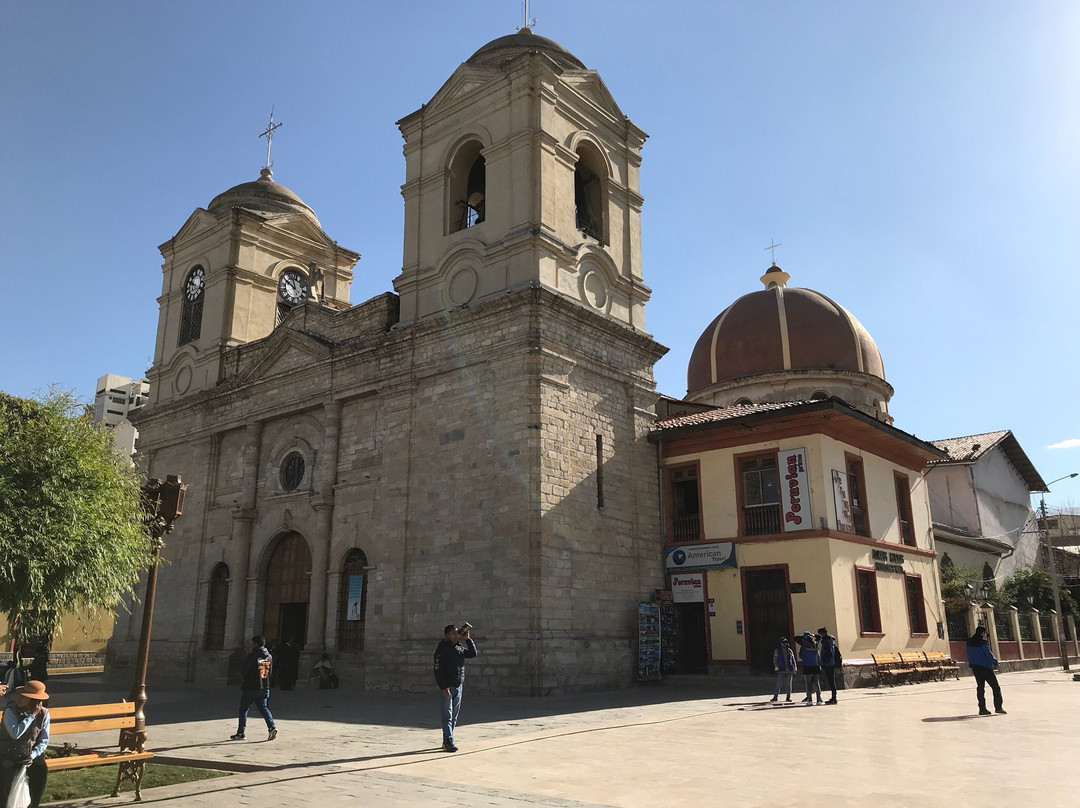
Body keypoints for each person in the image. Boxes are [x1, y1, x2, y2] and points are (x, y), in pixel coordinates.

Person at [0, 679, 50, 808]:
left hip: (29, 753)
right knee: (6, 771)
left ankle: (33, 805)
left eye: (25, 697)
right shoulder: (10, 711)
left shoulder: (44, 713)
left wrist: (32, 755)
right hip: (8, 751)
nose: (20, 698)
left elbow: (44, 740)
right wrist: (31, 716)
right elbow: (15, 734)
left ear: (34, 701)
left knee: (40, 769)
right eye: (20, 695)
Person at [433, 623, 477, 752]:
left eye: (456, 632)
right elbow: (438, 669)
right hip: (447, 686)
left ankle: (448, 738)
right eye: (453, 633)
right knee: (447, 715)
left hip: (458, 685)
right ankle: (448, 741)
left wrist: (467, 639)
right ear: (447, 635)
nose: (455, 635)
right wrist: (443, 687)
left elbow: (473, 654)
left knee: (454, 715)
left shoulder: (459, 647)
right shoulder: (442, 649)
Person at [231, 636, 278, 741]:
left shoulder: (252, 656)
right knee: (264, 708)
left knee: (243, 709)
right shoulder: (269, 656)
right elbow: (270, 673)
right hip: (264, 687)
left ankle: (241, 732)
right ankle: (271, 727)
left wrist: (243, 679)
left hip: (251, 687)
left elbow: (245, 670)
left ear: (256, 644)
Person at [966, 625, 1005, 715]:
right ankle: (998, 707)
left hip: (975, 667)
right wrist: (995, 663)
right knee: (995, 687)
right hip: (985, 667)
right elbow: (988, 654)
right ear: (982, 633)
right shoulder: (983, 642)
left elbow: (969, 653)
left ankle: (982, 708)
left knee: (980, 688)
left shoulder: (969, 642)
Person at [794, 630, 822, 704]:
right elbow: (819, 637)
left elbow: (796, 638)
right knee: (816, 683)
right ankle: (819, 700)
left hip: (807, 665)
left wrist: (804, 637)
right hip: (816, 665)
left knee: (808, 683)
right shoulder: (816, 643)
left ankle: (809, 700)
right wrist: (813, 636)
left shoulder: (803, 643)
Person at [769, 637, 797, 703]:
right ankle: (775, 697)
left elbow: (793, 660)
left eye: (786, 642)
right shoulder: (777, 651)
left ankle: (788, 697)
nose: (785, 644)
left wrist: (795, 668)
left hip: (789, 670)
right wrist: (776, 666)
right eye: (783, 642)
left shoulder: (789, 650)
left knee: (789, 685)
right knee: (778, 684)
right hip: (781, 670)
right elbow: (775, 659)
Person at [817, 627, 840, 705]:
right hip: (831, 663)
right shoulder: (831, 640)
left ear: (823, 633)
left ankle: (834, 698)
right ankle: (834, 697)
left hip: (828, 664)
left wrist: (824, 662)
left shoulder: (827, 641)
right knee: (831, 681)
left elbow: (828, 653)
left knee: (831, 681)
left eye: (820, 634)